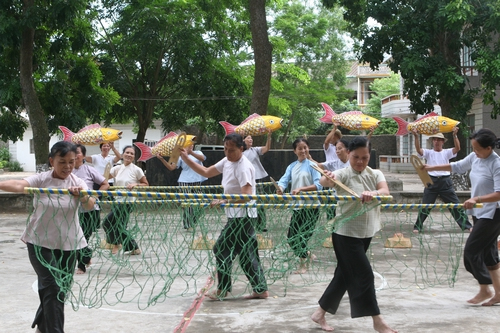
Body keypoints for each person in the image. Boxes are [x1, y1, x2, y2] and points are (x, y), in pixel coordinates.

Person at [0, 141, 96, 333]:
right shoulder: (41, 180)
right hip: (39, 243)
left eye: (71, 162)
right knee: (52, 286)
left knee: (60, 291)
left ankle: (42, 328)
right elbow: (19, 185)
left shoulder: (77, 182)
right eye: (62, 162)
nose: (67, 167)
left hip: (69, 245)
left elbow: (90, 205)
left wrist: (82, 196)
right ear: (52, 161)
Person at [311, 136, 397, 333]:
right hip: (345, 234)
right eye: (356, 157)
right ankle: (378, 321)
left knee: (343, 276)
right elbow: (325, 182)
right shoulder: (342, 174)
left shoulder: (375, 174)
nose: (360, 161)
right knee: (364, 274)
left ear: (369, 157)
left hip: (366, 233)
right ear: (348, 154)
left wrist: (373, 194)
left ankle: (319, 313)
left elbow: (384, 191)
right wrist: (327, 177)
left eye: (364, 158)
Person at [179, 133, 268, 300]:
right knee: (247, 254)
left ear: (242, 148)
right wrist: (185, 158)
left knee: (221, 249)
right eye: (225, 149)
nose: (228, 153)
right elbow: (206, 172)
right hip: (236, 215)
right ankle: (260, 289)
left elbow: (247, 195)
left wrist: (224, 199)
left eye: (232, 150)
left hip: (243, 216)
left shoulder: (244, 167)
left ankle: (223, 289)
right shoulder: (227, 161)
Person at [424, 128, 500, 306]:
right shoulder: (475, 158)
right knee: (489, 255)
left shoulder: (496, 164)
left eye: (478, 149)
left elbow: (498, 193)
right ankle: (498, 293)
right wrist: (431, 167)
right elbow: (457, 166)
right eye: (473, 148)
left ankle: (485, 288)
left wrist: (476, 198)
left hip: (493, 213)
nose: (475, 152)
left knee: (471, 252)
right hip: (480, 212)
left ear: (489, 148)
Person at [412, 127, 472, 233]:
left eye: (439, 139)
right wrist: (416, 136)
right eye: (435, 139)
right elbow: (419, 150)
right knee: (425, 206)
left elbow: (457, 148)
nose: (437, 141)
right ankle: (418, 226)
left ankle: (466, 225)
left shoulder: (447, 152)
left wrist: (454, 135)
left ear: (443, 142)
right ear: (432, 141)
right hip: (431, 182)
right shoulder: (429, 152)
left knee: (455, 205)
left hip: (445, 181)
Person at [276, 138, 322, 274]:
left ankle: (303, 265)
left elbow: (319, 185)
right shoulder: (291, 166)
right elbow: (284, 180)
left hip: (311, 208)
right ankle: (307, 255)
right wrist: (280, 188)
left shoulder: (313, 166)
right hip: (297, 207)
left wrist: (302, 189)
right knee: (291, 238)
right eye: (300, 148)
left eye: (305, 147)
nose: (303, 151)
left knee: (302, 237)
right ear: (294, 151)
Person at [102, 145, 149, 255]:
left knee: (108, 222)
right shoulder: (117, 168)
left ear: (134, 157)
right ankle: (126, 246)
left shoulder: (137, 170)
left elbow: (145, 184)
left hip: (128, 202)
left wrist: (136, 184)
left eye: (132, 154)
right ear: (123, 154)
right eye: (127, 152)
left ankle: (127, 245)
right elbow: (103, 178)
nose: (129, 155)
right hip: (117, 200)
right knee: (118, 225)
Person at [72, 144, 110, 274]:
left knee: (83, 237)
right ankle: (86, 254)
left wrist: (94, 196)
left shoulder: (89, 170)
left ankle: (81, 265)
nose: (75, 155)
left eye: (77, 152)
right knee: (75, 237)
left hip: (90, 210)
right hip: (72, 211)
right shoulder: (67, 170)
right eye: (72, 152)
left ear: (83, 155)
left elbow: (105, 184)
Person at [156, 144, 207, 230]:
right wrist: (162, 159)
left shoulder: (198, 152)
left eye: (191, 145)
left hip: (197, 180)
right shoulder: (179, 156)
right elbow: (171, 167)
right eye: (187, 145)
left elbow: (202, 158)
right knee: (188, 203)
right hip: (184, 181)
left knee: (201, 203)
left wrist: (190, 152)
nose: (190, 146)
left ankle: (193, 221)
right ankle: (187, 224)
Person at [243, 129, 272, 232]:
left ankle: (261, 224)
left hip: (257, 178)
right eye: (248, 138)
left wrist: (268, 137)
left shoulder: (255, 150)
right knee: (247, 201)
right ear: (243, 140)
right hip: (246, 179)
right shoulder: (240, 152)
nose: (251, 139)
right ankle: (248, 224)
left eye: (251, 138)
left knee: (259, 201)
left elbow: (267, 148)